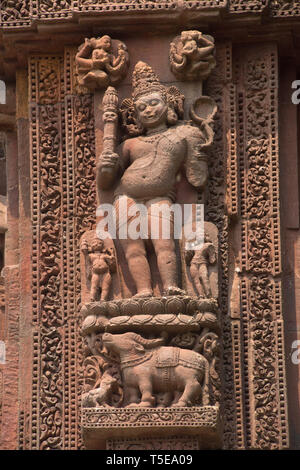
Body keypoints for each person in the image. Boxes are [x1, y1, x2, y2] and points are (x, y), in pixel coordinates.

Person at [97, 62, 211, 298]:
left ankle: (170, 287)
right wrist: (105, 166)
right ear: (135, 116)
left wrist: (200, 146)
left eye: (154, 103)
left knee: (164, 243)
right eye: (141, 107)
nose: (148, 110)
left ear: (168, 104)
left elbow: (197, 179)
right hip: (125, 197)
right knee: (133, 248)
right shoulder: (129, 144)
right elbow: (106, 182)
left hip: (160, 197)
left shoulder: (184, 134)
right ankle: (143, 292)